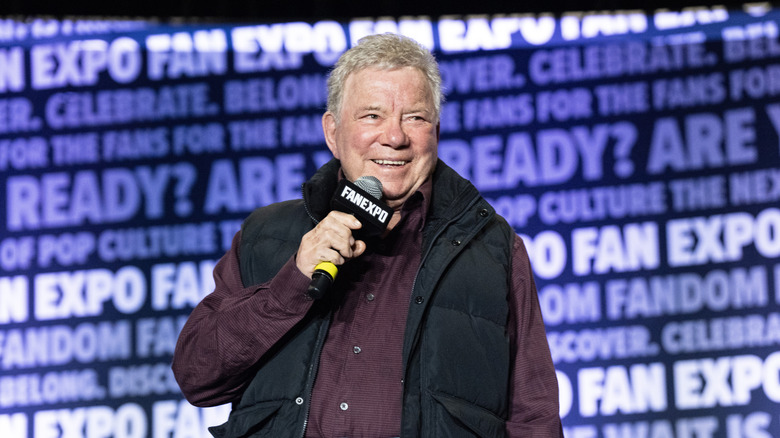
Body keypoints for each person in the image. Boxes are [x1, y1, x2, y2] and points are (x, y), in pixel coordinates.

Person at [172, 33, 563, 437]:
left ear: (436, 132)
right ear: (333, 132)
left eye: (415, 117)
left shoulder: (494, 248)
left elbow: (535, 417)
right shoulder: (265, 235)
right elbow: (198, 378)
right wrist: (290, 285)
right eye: (372, 115)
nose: (394, 137)